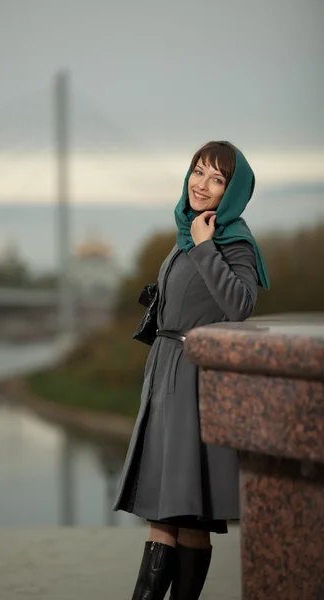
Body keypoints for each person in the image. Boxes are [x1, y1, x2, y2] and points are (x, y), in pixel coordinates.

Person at [112, 141, 269, 600]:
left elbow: (239, 305)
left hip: (195, 385)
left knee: (176, 515)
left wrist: (205, 249)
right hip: (167, 377)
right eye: (198, 172)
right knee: (179, 514)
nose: (201, 184)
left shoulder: (229, 239)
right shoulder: (187, 234)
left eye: (216, 179)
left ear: (232, 190)